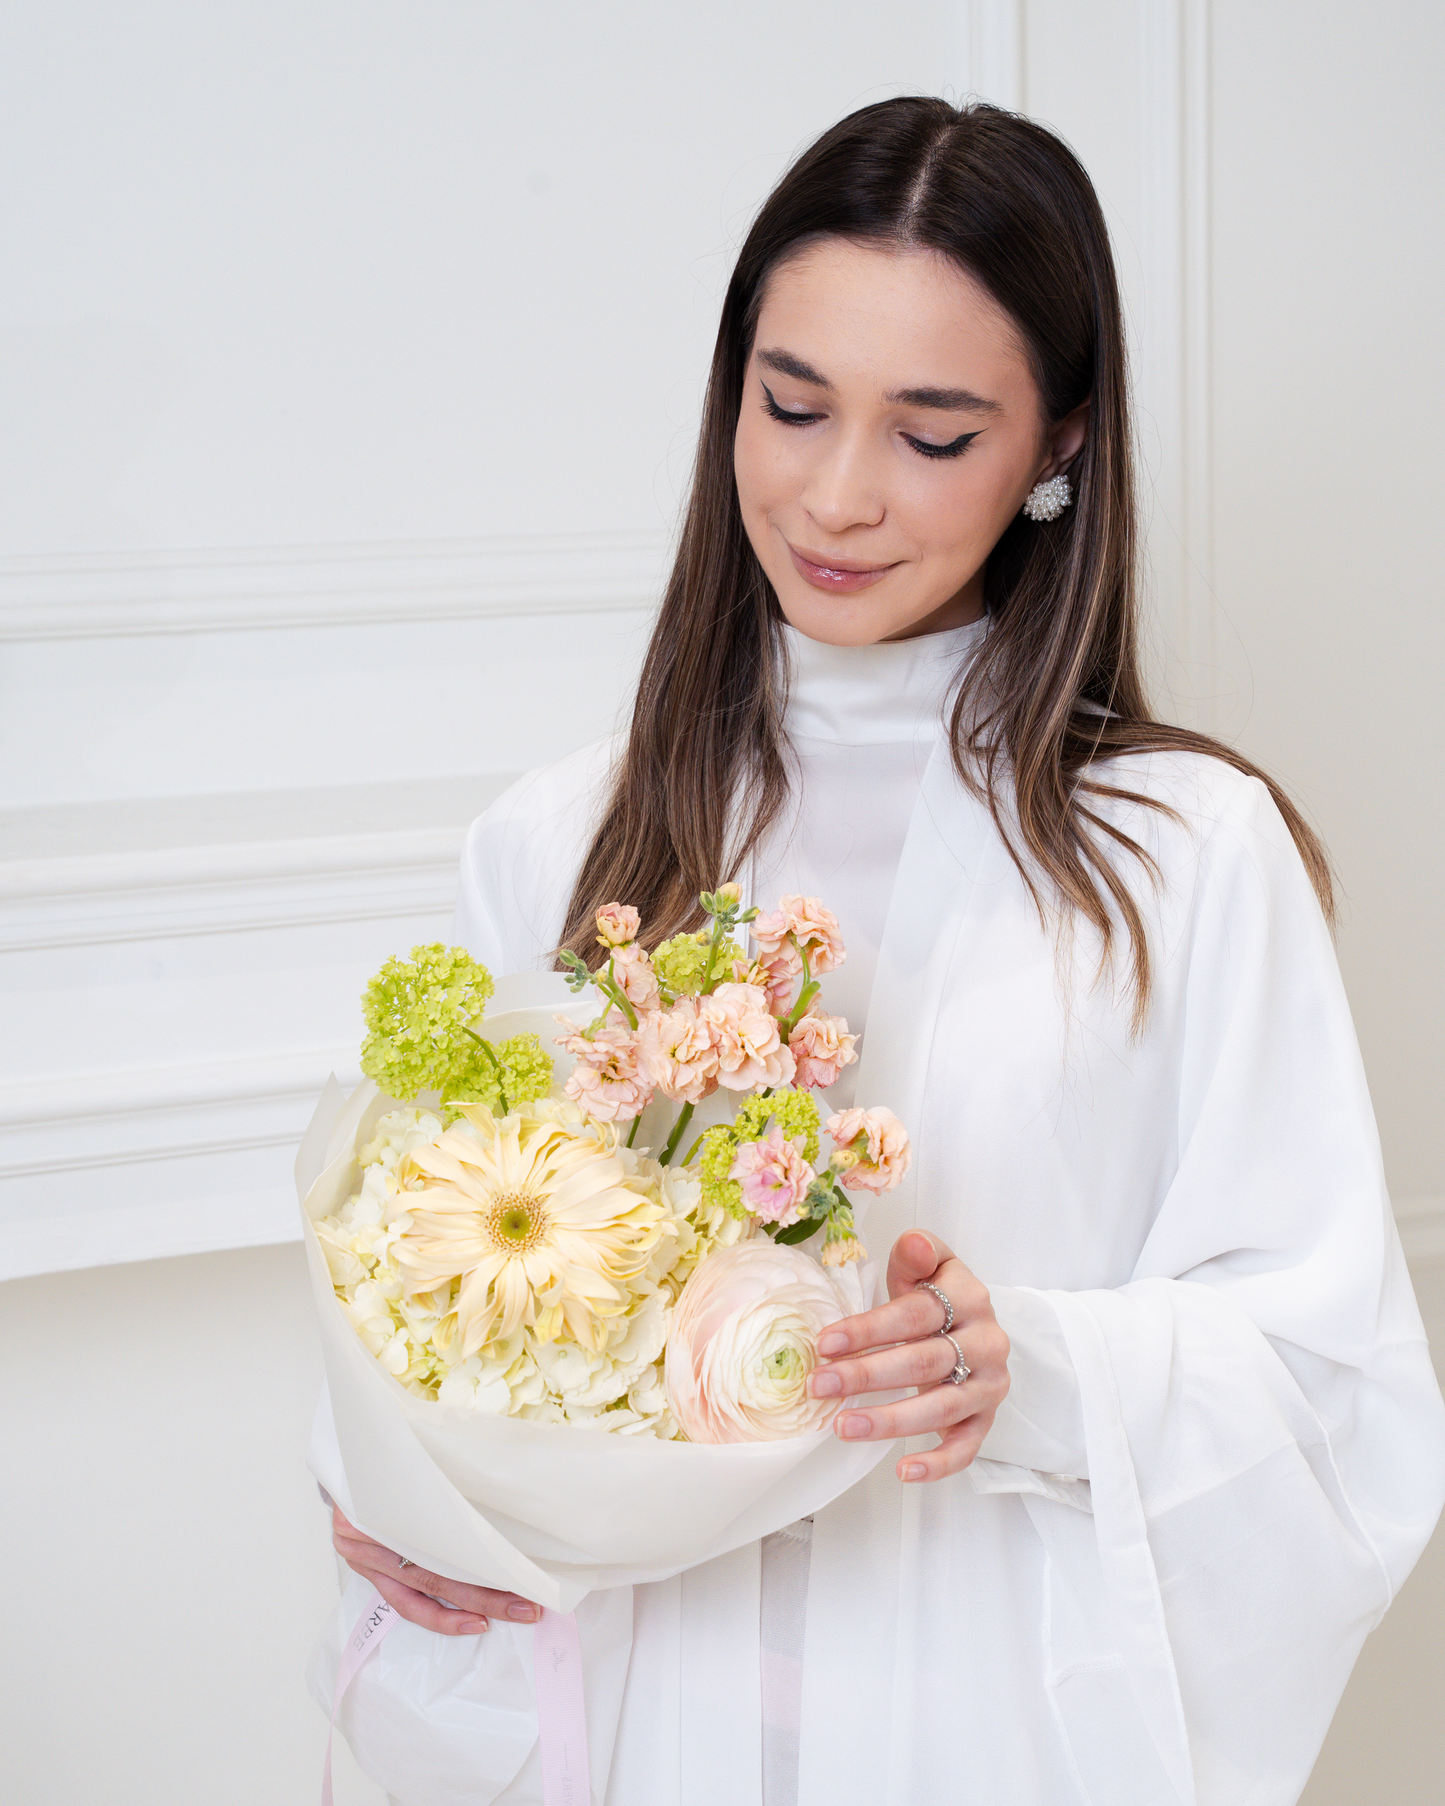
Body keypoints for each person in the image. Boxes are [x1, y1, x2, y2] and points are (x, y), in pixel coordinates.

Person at [324, 97, 1445, 1805]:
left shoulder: (1184, 858)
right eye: (790, 406)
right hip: (642, 1722)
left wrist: (1031, 1371)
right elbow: (432, 1296)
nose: (835, 495)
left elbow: (1332, 1383)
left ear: (1058, 445)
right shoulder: (558, 839)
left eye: (933, 435)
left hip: (990, 1728)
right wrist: (398, 1504)